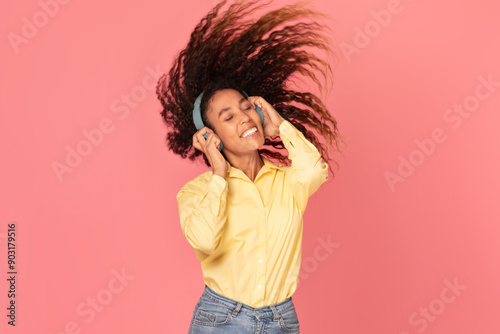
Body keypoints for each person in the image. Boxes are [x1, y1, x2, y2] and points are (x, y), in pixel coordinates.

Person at [156, 0, 344, 332]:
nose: (245, 118)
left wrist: (280, 126)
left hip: (282, 320)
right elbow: (204, 241)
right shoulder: (197, 192)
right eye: (228, 116)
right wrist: (219, 173)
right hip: (221, 318)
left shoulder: (288, 182)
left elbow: (315, 170)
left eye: (247, 107)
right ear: (210, 135)